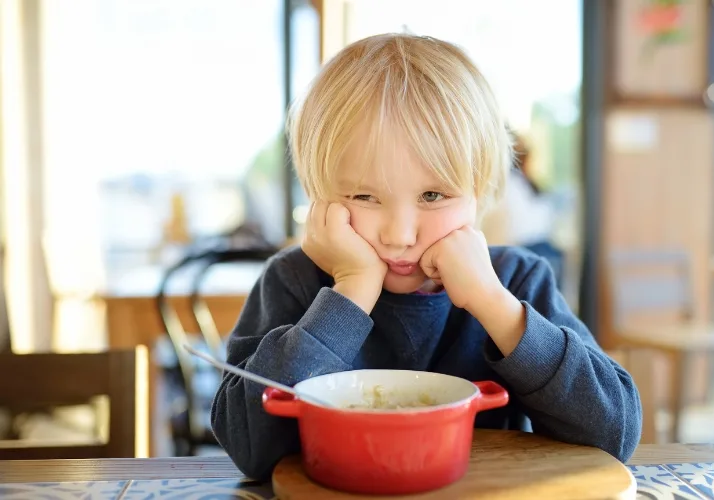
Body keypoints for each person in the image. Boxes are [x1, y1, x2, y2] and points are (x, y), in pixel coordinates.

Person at [211, 33, 642, 481]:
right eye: (364, 195)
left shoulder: (516, 281)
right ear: (320, 195)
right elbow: (248, 449)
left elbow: (615, 434)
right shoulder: (293, 281)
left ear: (480, 191)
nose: (399, 235)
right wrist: (352, 289)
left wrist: (495, 306)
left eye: (433, 195)